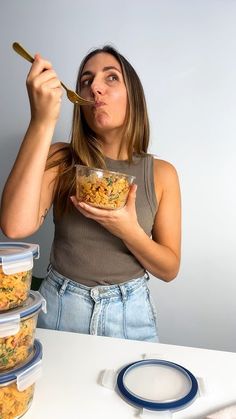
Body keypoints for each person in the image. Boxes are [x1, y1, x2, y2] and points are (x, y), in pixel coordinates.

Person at [0, 45, 181, 342]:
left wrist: (127, 230)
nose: (95, 87)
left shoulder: (162, 174)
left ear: (133, 96)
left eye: (111, 78)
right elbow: (14, 226)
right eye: (86, 81)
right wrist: (42, 121)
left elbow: (169, 268)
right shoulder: (62, 159)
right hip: (59, 306)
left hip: (130, 313)